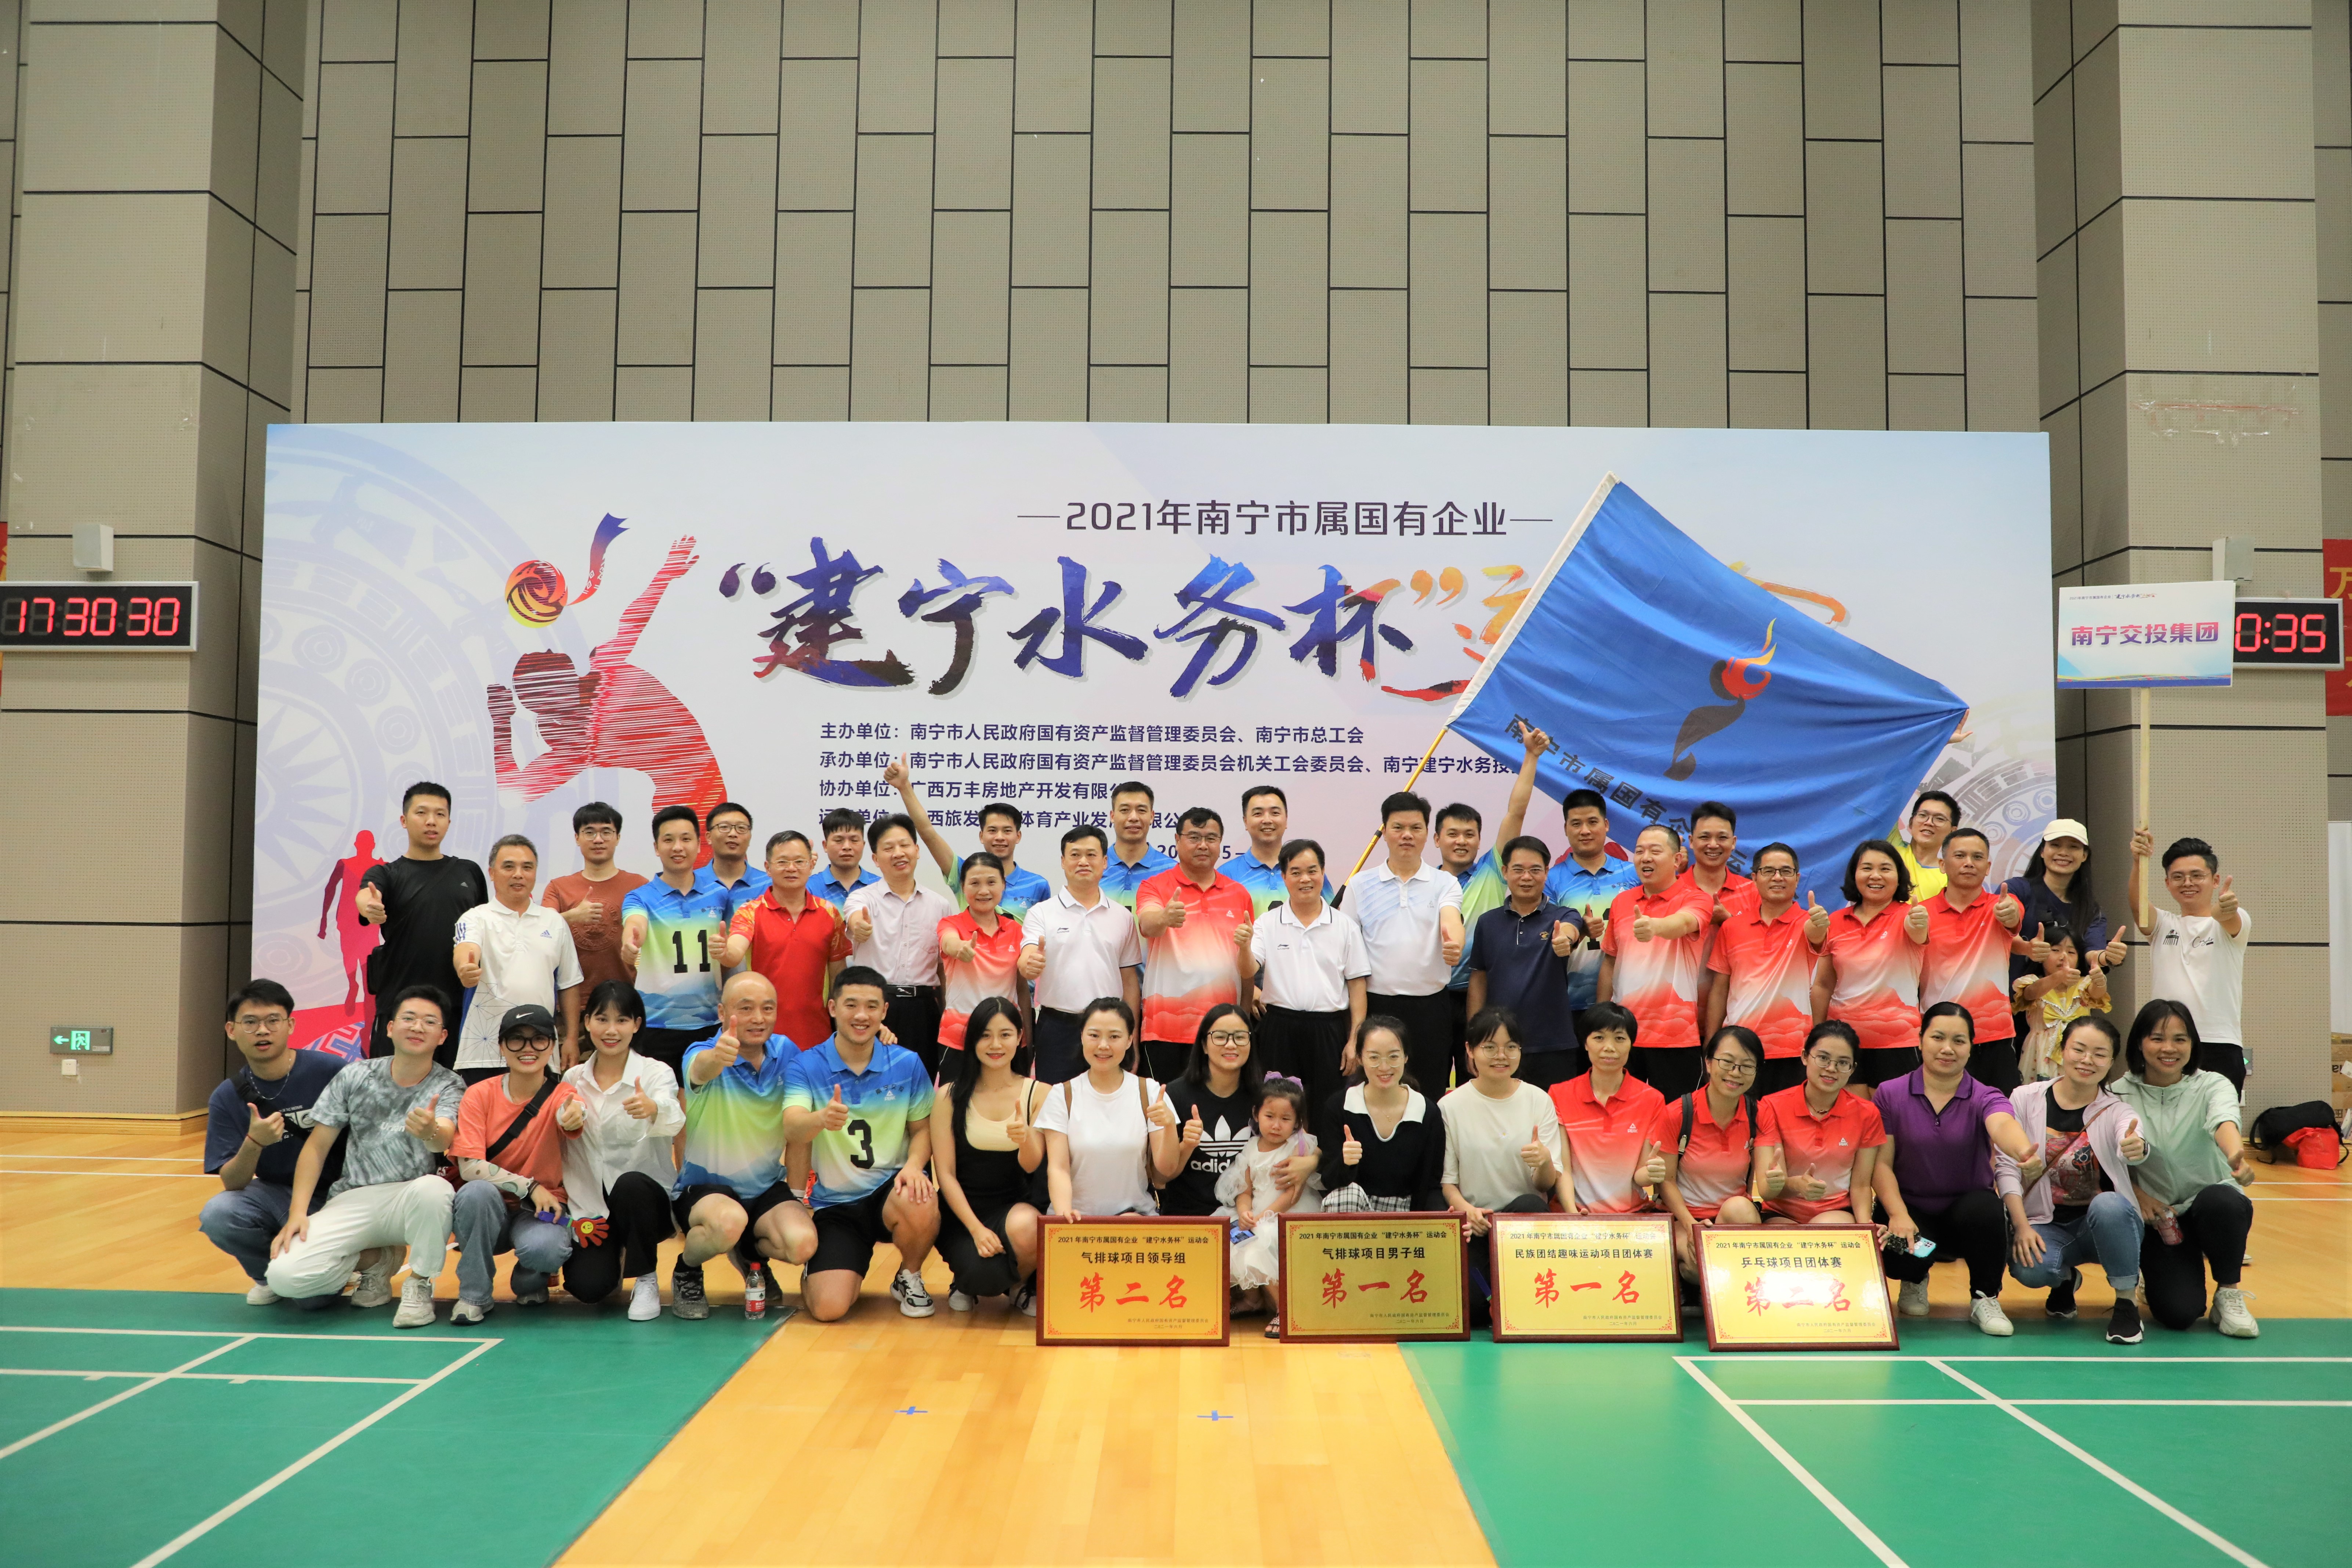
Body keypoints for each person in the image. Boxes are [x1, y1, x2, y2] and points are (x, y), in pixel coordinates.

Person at [264, 985, 465, 1328]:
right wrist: (298, 1212)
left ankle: (420, 1283)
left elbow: (442, 1139)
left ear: (443, 1036)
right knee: (285, 1278)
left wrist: (430, 1130)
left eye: (430, 1022)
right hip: (353, 1196)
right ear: (390, 1027)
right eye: (409, 1018)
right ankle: (376, 1262)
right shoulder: (355, 1075)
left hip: (410, 1198)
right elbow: (316, 1147)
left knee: (436, 1190)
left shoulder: (450, 1084)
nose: (418, 1027)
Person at [777, 966, 942, 1322]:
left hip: (890, 1190)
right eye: (851, 1005)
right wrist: (820, 1119)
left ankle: (909, 1274)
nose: (861, 1015)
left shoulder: (907, 1063)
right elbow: (792, 1126)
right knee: (829, 1309)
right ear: (833, 1007)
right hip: (836, 1204)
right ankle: (822, 1269)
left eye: (871, 1006)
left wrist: (915, 1166)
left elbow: (922, 1130)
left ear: (885, 1011)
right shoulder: (806, 1065)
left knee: (921, 1196)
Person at [1871, 1001, 2044, 1335]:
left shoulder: (1985, 1095)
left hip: (1966, 1214)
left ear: (1971, 1046)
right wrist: (1897, 1214)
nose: (1947, 1048)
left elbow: (2001, 1123)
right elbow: (1881, 1163)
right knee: (1895, 1250)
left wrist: (2023, 1151)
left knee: (1987, 1210)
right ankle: (1914, 1277)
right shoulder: (1889, 1093)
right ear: (1920, 1039)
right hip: (1911, 1212)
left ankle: (1984, 1297)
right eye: (1938, 1037)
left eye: (1959, 1040)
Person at [1996, 1014, 2150, 1345]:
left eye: (2099, 1054)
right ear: (2062, 1050)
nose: (2087, 1060)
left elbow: (2131, 1137)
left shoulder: (2116, 1109)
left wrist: (2135, 1146)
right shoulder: (2024, 1098)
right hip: (2047, 1224)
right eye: (2079, 1049)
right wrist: (2021, 1226)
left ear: (2111, 1061)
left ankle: (2126, 1304)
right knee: (2030, 1268)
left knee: (2109, 1205)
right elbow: (2006, 1166)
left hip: (2105, 1226)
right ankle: (2064, 1279)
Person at [2113, 1000, 2259, 1337]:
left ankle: (2228, 1292)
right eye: (2157, 1038)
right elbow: (2107, 1164)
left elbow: (2223, 1120)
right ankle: (2155, 1277)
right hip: (2161, 1217)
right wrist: (2138, 1195)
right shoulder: (2117, 1094)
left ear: (2192, 1044)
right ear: (2139, 1043)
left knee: (2222, 1200)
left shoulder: (2212, 1084)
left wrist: (2235, 1154)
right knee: (2179, 1313)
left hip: (2208, 1204)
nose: (2169, 1048)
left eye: (2180, 1039)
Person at [202, 981, 350, 1305]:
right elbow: (233, 1182)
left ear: (291, 1025)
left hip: (339, 1193)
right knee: (219, 1213)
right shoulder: (227, 1096)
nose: (262, 1030)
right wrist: (254, 1142)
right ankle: (268, 1276)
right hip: (277, 1193)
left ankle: (362, 1259)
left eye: (273, 1020)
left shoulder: (332, 1071)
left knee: (315, 1302)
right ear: (231, 1030)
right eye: (250, 1022)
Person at [668, 972, 798, 1321]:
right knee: (728, 1222)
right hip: (705, 1191)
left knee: (801, 1244)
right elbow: (701, 1069)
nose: (758, 1018)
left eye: (767, 1008)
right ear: (723, 1013)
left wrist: (877, 1037)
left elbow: (829, 1059)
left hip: (764, 1187)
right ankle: (687, 1270)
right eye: (746, 1008)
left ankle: (749, 1254)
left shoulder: (786, 1051)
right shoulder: (700, 1052)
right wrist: (718, 1056)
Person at [557, 981, 684, 1321]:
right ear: (587, 1022)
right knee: (589, 1288)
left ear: (637, 1025)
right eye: (602, 1019)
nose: (611, 1030)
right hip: (593, 1208)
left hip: (646, 1204)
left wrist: (654, 1109)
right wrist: (566, 1119)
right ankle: (615, 1257)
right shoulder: (572, 1079)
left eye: (622, 1020)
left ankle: (646, 1278)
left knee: (630, 1184)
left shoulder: (655, 1073)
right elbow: (559, 1126)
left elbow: (675, 1119)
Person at [1440, 1009, 1574, 1324]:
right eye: (1489, 1047)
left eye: (1511, 1047)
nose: (1501, 1056)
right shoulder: (1450, 1106)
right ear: (1469, 1050)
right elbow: (1447, 1182)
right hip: (1477, 1223)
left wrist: (1544, 1160)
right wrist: (1467, 1211)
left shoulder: (1538, 1100)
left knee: (1530, 1204)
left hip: (1523, 1225)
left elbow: (1545, 1184)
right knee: (1472, 1310)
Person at [448, 1004, 579, 1324]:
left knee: (545, 1251)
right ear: (501, 1047)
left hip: (540, 1209)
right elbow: (469, 1167)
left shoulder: (564, 1093)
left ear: (552, 1045)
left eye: (539, 1039)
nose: (528, 1048)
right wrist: (530, 1186)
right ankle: (474, 1295)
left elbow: (572, 1113)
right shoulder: (479, 1094)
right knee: (475, 1192)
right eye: (517, 1039)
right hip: (489, 1208)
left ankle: (530, 1275)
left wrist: (574, 1116)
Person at [1442, 723, 1554, 1087]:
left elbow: (1515, 812)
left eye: (1469, 834)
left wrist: (1531, 756)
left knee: (1482, 1082)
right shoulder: (1426, 884)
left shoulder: (1493, 869)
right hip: (1434, 998)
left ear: (1480, 840)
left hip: (1483, 995)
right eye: (1452, 834)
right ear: (1437, 839)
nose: (1461, 841)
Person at [928, 996, 1047, 1315]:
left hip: (1013, 1210)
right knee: (980, 1276)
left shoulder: (1038, 1092)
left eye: (1005, 1034)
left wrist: (1025, 1140)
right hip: (962, 1213)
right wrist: (976, 1229)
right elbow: (945, 1174)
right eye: (985, 1035)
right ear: (972, 1041)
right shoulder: (949, 1095)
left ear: (1020, 1037)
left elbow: (1033, 1165)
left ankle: (1019, 1285)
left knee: (1031, 1227)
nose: (995, 1044)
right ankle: (965, 1280)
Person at [355, 781, 487, 1061]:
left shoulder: (469, 872)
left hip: (458, 1010)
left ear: (449, 821)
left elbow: (486, 926)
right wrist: (371, 907)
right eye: (422, 813)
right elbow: (366, 895)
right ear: (404, 820)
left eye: (440, 814)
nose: (431, 821)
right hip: (401, 1009)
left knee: (456, 1087)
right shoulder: (387, 874)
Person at [1352, 791, 1468, 1095]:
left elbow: (1451, 920)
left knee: (1428, 1092)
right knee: (1377, 1091)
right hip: (1377, 1006)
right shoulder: (1360, 885)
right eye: (1398, 827)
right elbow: (1347, 949)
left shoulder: (1445, 882)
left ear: (1428, 834)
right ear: (1384, 832)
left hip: (1431, 1008)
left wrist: (1454, 944)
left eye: (1416, 828)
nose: (1407, 835)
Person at [1135, 807, 1256, 1082]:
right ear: (1177, 841)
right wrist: (1165, 917)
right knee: (1164, 1104)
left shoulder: (1239, 894)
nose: (1203, 845)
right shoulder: (1155, 886)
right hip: (1165, 1028)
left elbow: (1245, 963)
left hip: (1222, 1031)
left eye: (1211, 838)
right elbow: (1148, 923)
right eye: (1194, 837)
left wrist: (1244, 1018)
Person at [1249, 838, 1370, 1113]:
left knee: (1327, 1108)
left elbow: (1357, 986)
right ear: (1284, 877)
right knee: (1278, 1108)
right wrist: (1243, 947)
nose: (1305, 879)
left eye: (1312, 871)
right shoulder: (1267, 923)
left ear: (1323, 873)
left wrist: (1354, 1040)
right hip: (1279, 1028)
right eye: (1296, 872)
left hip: (1328, 1030)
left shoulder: (1345, 926)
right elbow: (1248, 970)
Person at [1159, 1004, 1315, 1217]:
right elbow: (1160, 1178)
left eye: (1241, 1037)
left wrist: (1311, 1163)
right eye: (1220, 1037)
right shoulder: (1176, 1094)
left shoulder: (1266, 1096)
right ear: (1204, 1045)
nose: (1231, 1045)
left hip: (1250, 1216)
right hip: (1190, 1216)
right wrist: (1187, 1145)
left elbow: (1306, 1143)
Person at [2128, 830, 2253, 1093]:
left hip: (2218, 1043)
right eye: (2178, 877)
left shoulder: (2233, 921)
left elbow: (2227, 917)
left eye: (2197, 876)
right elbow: (2138, 907)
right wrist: (2140, 861)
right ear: (2167, 883)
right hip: (2166, 1044)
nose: (2188, 883)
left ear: (2215, 880)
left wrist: (2225, 908)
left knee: (2218, 1118)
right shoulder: (2163, 925)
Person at [452, 834, 584, 1080]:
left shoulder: (555, 922)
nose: (518, 875)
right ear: (492, 873)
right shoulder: (476, 918)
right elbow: (466, 949)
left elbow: (569, 984)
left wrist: (572, 1039)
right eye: (509, 867)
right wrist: (465, 968)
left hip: (541, 1050)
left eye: (527, 867)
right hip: (483, 1053)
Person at [1020, 823, 1144, 1084]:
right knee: (1053, 1100)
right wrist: (1029, 963)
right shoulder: (1042, 912)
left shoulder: (1122, 917)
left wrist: (1132, 1036)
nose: (1083, 862)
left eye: (1091, 855)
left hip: (1109, 1028)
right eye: (1075, 855)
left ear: (1105, 862)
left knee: (1107, 1100)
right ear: (1063, 862)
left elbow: (1130, 981)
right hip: (1058, 1027)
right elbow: (1028, 953)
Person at [1703, 843, 1829, 1096]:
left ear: (1797, 878)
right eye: (1769, 871)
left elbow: (1816, 937)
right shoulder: (1732, 927)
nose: (1778, 877)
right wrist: (1710, 1044)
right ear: (1754, 878)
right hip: (1737, 1050)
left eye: (1786, 871)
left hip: (1792, 1050)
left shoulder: (1809, 923)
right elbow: (1720, 989)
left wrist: (1819, 926)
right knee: (1741, 1118)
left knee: (1786, 1119)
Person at [1595, 824, 1711, 1097]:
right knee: (1621, 1112)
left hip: (1675, 1036)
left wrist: (1655, 927)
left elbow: (1684, 923)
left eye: (1655, 851)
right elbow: (1610, 961)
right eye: (1639, 851)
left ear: (1677, 859)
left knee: (1676, 1116)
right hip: (1622, 1035)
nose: (1645, 858)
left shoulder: (1697, 898)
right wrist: (1600, 1019)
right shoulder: (1622, 902)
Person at [619, 804, 734, 1079]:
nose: (678, 847)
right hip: (656, 1024)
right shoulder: (640, 897)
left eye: (686, 839)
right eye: (668, 840)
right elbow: (634, 924)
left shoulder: (719, 894)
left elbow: (731, 952)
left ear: (699, 844)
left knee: (704, 1099)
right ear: (657, 848)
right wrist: (631, 942)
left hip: (710, 1023)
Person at [1039, 997, 1181, 1217]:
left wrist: (1170, 1126)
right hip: (1075, 1219)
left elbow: (1167, 1169)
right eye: (1094, 1035)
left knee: (1131, 1222)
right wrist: (1065, 1214)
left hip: (1135, 1218)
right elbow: (1058, 1168)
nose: (1103, 1045)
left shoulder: (1150, 1092)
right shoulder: (1062, 1095)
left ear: (1130, 1040)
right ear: (1082, 1037)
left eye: (1114, 1036)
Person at [1649, 1026, 1767, 1285]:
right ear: (1709, 1063)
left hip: (1733, 1216)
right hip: (1683, 1219)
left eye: (1747, 1066)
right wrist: (1691, 1224)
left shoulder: (1759, 1114)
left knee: (1740, 1210)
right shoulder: (1677, 1113)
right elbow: (1665, 1181)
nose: (1735, 1072)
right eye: (1727, 1062)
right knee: (1701, 1269)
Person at [842, 812, 956, 1076]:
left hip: (923, 1008)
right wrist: (859, 927)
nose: (898, 853)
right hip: (874, 1005)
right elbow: (855, 918)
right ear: (875, 859)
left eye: (905, 845)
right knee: (871, 1080)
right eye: (889, 848)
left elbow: (942, 967)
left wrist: (947, 1010)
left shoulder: (939, 905)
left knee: (922, 1082)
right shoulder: (863, 898)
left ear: (917, 850)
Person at [1919, 826, 2029, 1092]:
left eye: (1977, 857)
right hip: (1939, 1038)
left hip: (1993, 1035)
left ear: (1988, 867)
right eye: (1960, 856)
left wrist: (2010, 914)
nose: (1969, 863)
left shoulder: (2002, 905)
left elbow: (2013, 916)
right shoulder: (1921, 913)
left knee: (2001, 1112)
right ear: (1942, 864)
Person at [722, 830, 854, 1053]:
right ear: (768, 868)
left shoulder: (830, 913)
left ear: (811, 866)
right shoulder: (750, 912)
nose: (792, 868)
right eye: (783, 862)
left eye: (799, 862)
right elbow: (734, 953)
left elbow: (838, 979)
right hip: (764, 1037)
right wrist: (724, 953)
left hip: (817, 1036)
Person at [1466, 835, 1581, 1087]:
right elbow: (1478, 979)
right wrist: (1475, 1036)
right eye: (1518, 870)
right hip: (1499, 1046)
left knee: (1554, 1111)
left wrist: (1565, 939)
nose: (1526, 877)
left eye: (1535, 870)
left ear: (1547, 872)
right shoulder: (1487, 922)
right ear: (1505, 872)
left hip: (1553, 1045)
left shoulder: (1564, 915)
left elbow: (1571, 929)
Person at [1815, 839, 1931, 1084]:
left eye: (1885, 869)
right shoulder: (1835, 921)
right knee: (1847, 1109)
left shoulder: (1909, 916)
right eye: (1867, 868)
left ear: (1899, 876)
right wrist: (1816, 1035)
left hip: (1897, 1043)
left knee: (1890, 1109)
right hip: (1842, 1043)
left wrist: (1919, 923)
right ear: (1854, 875)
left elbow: (1919, 932)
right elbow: (1823, 985)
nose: (1875, 876)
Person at [1754, 1023, 1885, 1232]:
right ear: (1805, 1057)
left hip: (1837, 1214)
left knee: (1826, 1229)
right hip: (1781, 1214)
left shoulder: (1867, 1113)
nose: (1832, 1069)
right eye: (1823, 1058)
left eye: (1843, 1063)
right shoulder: (1771, 1106)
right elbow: (1770, 1191)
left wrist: (1865, 1228)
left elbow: (1861, 1185)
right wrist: (1797, 1185)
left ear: (1852, 1069)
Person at [2003, 819, 2122, 1045]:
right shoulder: (2019, 889)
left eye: (2073, 847)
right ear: (2042, 851)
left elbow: (2092, 952)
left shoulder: (2091, 910)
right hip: (2009, 1008)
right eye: (2055, 845)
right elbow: (2006, 921)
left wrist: (2107, 957)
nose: (2064, 853)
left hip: (2060, 1018)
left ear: (2085, 856)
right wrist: (2009, 916)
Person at [1218, 1076, 1322, 1335]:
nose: (1276, 1125)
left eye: (1286, 1119)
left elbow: (1292, 1195)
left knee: (1257, 1247)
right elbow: (1245, 1190)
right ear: (1256, 1114)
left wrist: (1264, 1216)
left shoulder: (1298, 1147)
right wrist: (1244, 1211)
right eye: (1269, 1116)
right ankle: (1253, 1300)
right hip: (1257, 1214)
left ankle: (1283, 1308)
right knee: (1228, 1237)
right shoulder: (1251, 1147)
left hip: (1286, 1214)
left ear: (1297, 1122)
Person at [888, 756, 1053, 918]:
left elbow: (1045, 929)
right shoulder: (965, 873)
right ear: (982, 836)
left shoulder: (1038, 885)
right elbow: (928, 832)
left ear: (1018, 836)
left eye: (1007, 831)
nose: (1000, 837)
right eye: (993, 830)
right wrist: (905, 787)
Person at [1318, 1015, 1448, 1212]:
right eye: (1374, 1058)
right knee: (1347, 1196)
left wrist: (1437, 1219)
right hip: (1354, 1209)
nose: (1384, 1067)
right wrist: (1345, 1163)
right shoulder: (1339, 1106)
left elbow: (1430, 1183)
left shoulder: (1427, 1112)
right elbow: (1328, 1181)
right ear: (1360, 1058)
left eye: (1394, 1057)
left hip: (1407, 1214)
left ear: (1406, 1057)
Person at [1547, 1002, 1665, 1214]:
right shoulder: (1560, 1094)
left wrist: (1652, 1173)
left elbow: (1641, 1176)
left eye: (1620, 1039)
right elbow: (1563, 1169)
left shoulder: (1652, 1099)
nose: (1609, 1047)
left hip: (1632, 1215)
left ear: (1631, 1044)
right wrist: (1573, 1217)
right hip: (1574, 1213)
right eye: (1599, 1038)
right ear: (1585, 1043)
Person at [1544, 787, 1640, 1024]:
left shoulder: (1634, 874)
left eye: (1593, 822)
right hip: (1569, 1001)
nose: (1585, 831)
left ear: (1606, 825)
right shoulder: (1551, 880)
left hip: (1629, 998)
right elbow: (1546, 940)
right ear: (1566, 828)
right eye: (1576, 824)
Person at [542, 802, 648, 994]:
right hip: (571, 998)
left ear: (618, 838)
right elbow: (541, 931)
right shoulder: (558, 887)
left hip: (627, 997)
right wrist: (572, 916)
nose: (598, 840)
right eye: (589, 833)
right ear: (577, 838)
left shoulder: (639, 885)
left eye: (606, 832)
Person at [937, 852, 1029, 1065]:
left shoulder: (1016, 930)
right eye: (975, 883)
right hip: (959, 1037)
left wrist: (1028, 1041)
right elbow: (949, 942)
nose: (984, 891)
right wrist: (959, 948)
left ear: (1003, 885)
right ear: (963, 886)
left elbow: (1022, 990)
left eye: (991, 882)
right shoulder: (951, 924)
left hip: (1006, 1038)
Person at [2013, 930, 2112, 1081]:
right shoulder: (2033, 982)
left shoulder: (2083, 985)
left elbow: (2097, 993)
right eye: (2055, 950)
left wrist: (2100, 981)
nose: (2063, 956)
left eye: (2071, 952)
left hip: (2079, 1052)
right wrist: (2058, 977)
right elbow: (2030, 994)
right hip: (2039, 1054)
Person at [1226, 784, 1331, 911]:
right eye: (1258, 814)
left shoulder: (1309, 873)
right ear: (1246, 822)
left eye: (1275, 813)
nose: (1267, 820)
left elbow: (1332, 913)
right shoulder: (1227, 874)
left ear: (1286, 819)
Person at [1680, 801, 1758, 959]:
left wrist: (1727, 920)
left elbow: (1764, 948)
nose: (1713, 845)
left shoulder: (1753, 892)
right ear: (1691, 841)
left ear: (1734, 842)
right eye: (1705, 837)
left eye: (1722, 838)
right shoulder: (1672, 888)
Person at [318, 831, 382, 1011]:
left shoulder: (381, 866)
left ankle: (367, 995)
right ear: (357, 845)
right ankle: (353, 985)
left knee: (366, 958)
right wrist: (324, 920)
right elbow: (330, 889)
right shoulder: (345, 864)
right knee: (350, 955)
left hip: (369, 921)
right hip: (348, 920)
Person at [1101, 779, 1177, 909]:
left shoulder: (1172, 871)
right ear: (1112, 816)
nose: (1133, 818)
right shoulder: (1095, 867)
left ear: (1152, 817)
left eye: (1141, 810)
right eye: (1125, 810)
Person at [1896, 790, 1959, 902]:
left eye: (1940, 819)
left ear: (1952, 832)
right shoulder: (1891, 848)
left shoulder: (1950, 877)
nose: (1929, 822)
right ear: (1911, 822)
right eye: (1923, 815)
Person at [702, 801, 769, 904]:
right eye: (724, 827)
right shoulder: (691, 884)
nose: (733, 834)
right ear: (709, 837)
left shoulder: (770, 885)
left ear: (750, 838)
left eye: (741, 828)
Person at [811, 807, 880, 906]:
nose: (847, 847)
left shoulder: (880, 886)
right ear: (825, 846)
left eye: (854, 840)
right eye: (839, 840)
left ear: (864, 845)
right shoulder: (809, 888)